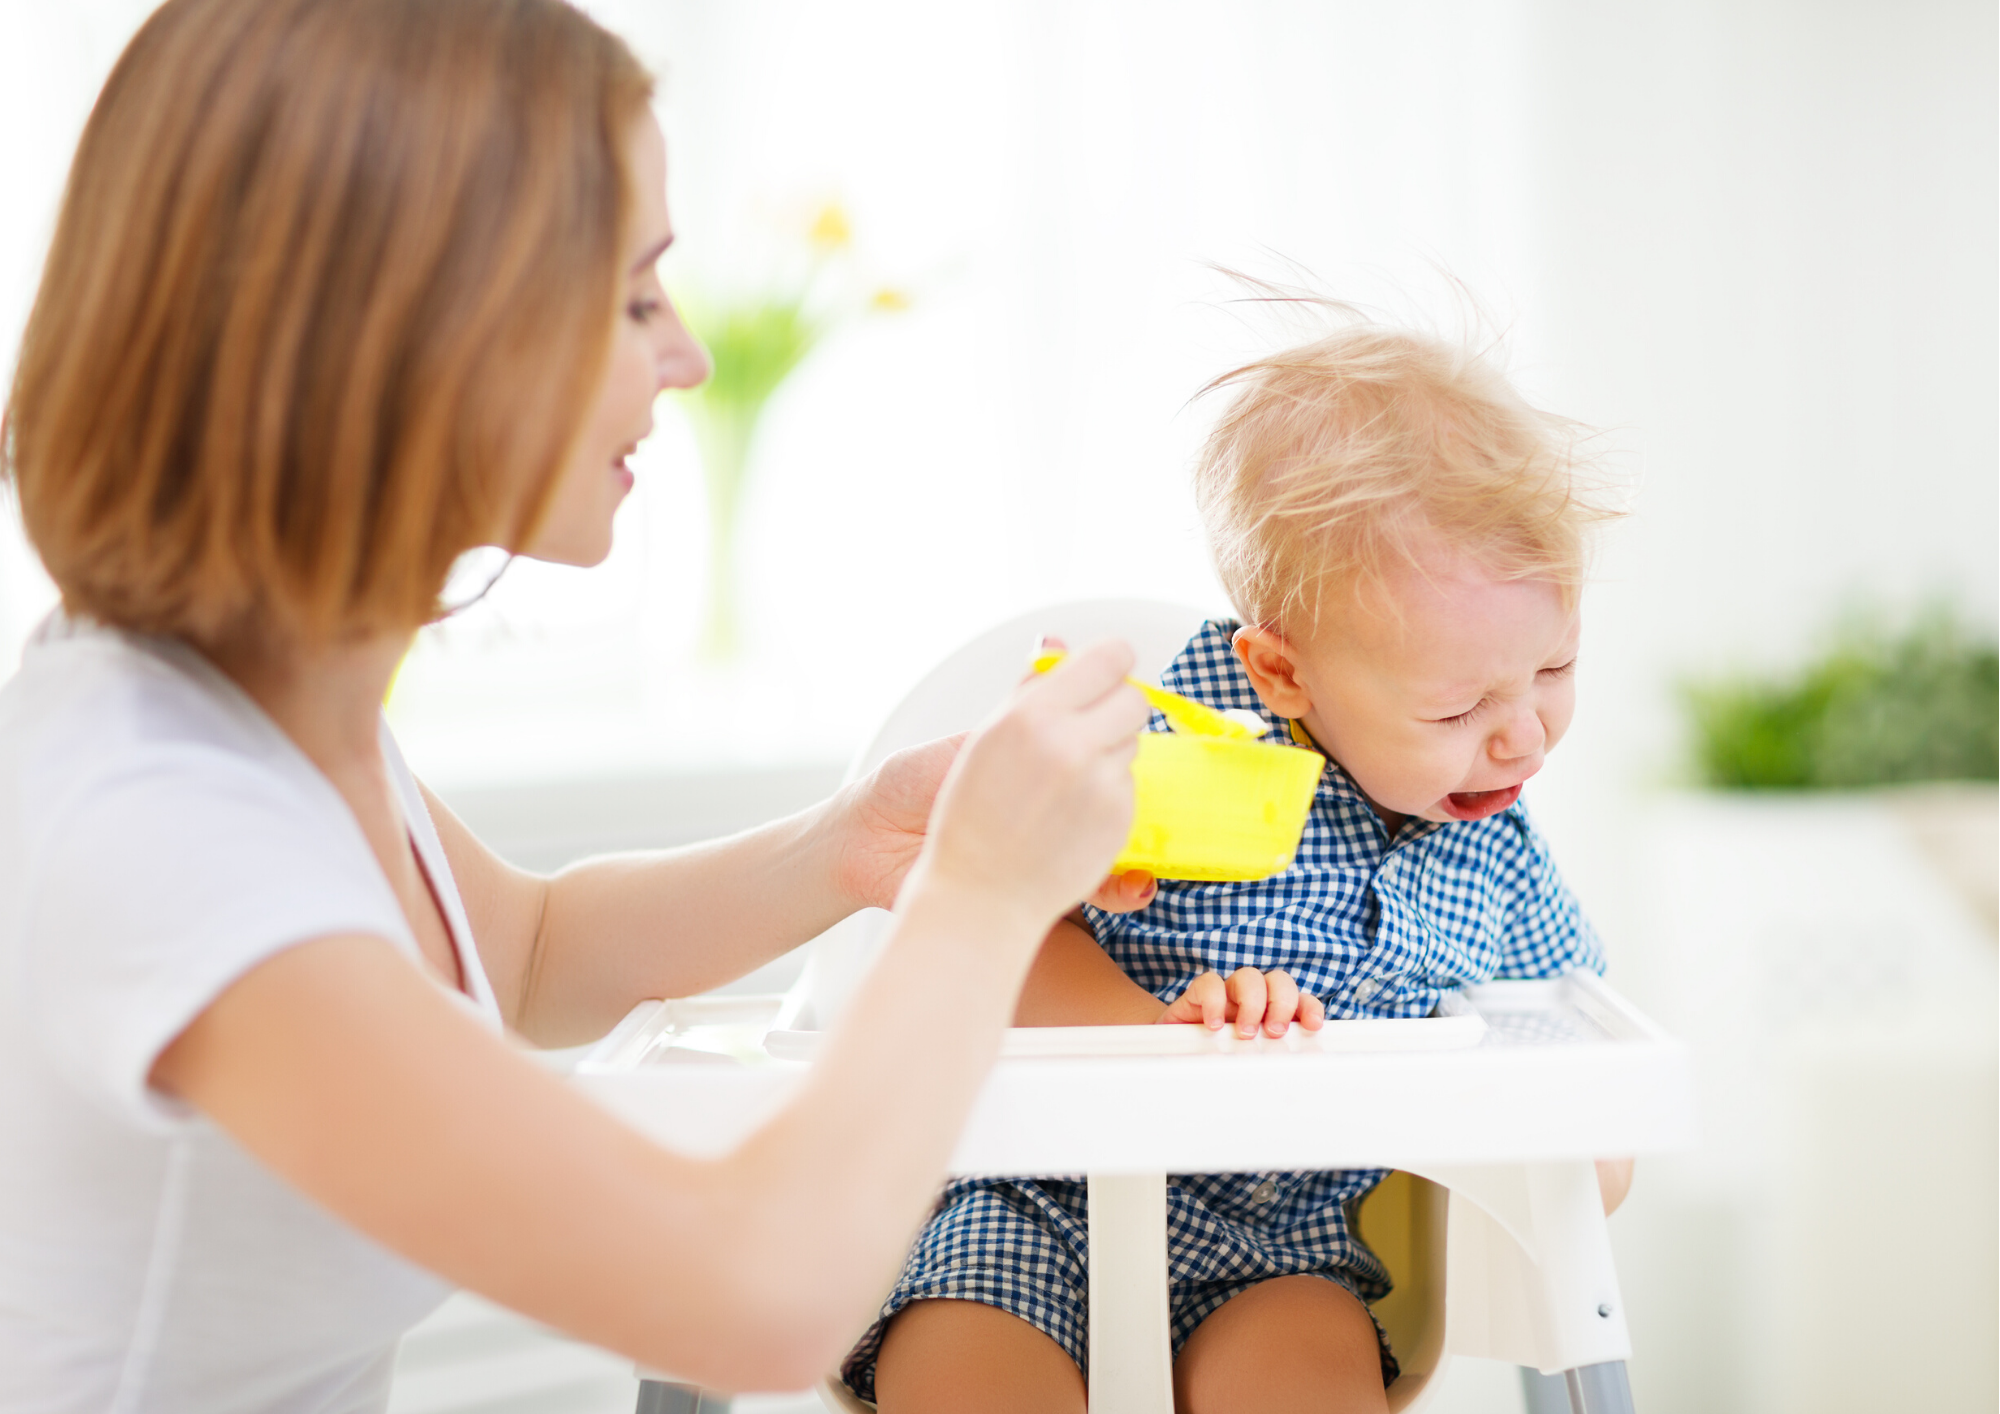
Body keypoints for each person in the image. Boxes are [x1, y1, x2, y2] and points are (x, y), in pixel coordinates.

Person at [0, 1, 1156, 1409]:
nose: (687, 356)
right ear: (417, 331)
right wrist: (980, 895)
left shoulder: (263, 712)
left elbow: (532, 956)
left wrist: (853, 846)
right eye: (632, 297)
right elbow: (762, 1297)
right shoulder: (157, 826)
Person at [854, 322, 1637, 1413]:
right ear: (1279, 673)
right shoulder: (1152, 761)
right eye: (1458, 707)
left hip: (1286, 1247)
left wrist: (1573, 1150)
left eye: (1553, 667)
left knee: (1306, 1368)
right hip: (1030, 1196)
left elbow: (1574, 1063)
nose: (1521, 739)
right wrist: (1162, 1031)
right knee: (965, 1366)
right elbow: (991, 939)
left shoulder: (1499, 857)